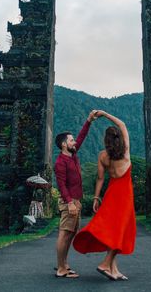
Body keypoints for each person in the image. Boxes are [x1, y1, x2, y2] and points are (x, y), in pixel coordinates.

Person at [73, 110, 136, 281]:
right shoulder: (126, 152)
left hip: (110, 195)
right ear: (120, 139)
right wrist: (105, 114)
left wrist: (96, 198)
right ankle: (105, 263)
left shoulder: (103, 156)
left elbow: (100, 179)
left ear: (106, 141)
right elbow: (122, 124)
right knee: (121, 232)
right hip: (124, 197)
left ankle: (113, 270)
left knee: (113, 231)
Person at [54, 110, 97, 278]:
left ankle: (64, 264)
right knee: (64, 233)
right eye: (71, 140)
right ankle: (60, 269)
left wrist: (88, 121)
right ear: (64, 144)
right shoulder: (60, 162)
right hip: (69, 202)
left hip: (76, 201)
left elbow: (82, 136)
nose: (74, 142)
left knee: (71, 233)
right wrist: (70, 203)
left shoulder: (72, 155)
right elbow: (61, 185)